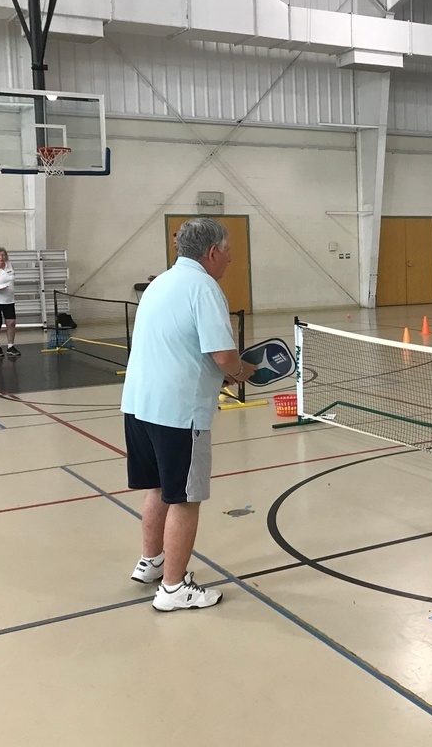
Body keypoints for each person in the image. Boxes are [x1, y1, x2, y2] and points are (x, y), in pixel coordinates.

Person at [121, 218, 256, 612]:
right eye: (228, 251)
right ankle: (174, 589)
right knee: (184, 499)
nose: (230, 259)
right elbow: (225, 357)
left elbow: (178, 347)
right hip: (178, 414)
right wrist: (242, 372)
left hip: (138, 406)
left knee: (159, 489)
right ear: (212, 252)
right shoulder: (204, 287)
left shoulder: (160, 283)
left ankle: (152, 564)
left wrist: (218, 377)